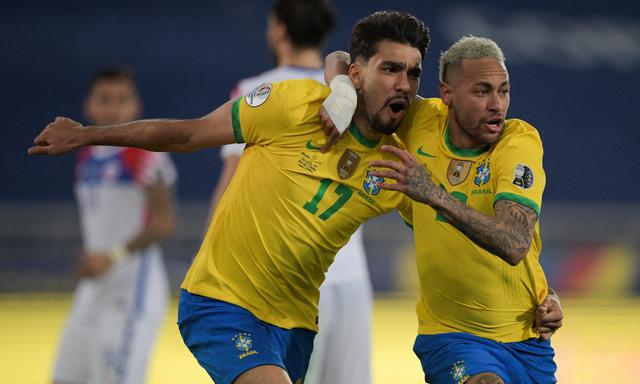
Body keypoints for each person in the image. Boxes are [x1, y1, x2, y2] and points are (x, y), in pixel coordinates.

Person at [31, 11, 429, 384]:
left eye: (413, 74)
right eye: (391, 69)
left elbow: (445, 228)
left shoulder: (400, 163)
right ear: (358, 75)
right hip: (222, 302)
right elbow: (189, 134)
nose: (403, 84)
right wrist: (87, 134)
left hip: (296, 323)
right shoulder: (291, 104)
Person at [323, 36, 561, 383]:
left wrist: (432, 193)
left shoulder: (518, 142)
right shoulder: (419, 120)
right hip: (451, 336)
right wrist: (343, 92)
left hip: (527, 340)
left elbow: (514, 243)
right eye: (481, 92)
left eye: (503, 90)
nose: (497, 104)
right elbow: (341, 59)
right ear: (447, 94)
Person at [209, 1, 373, 383]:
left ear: (279, 30)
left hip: (287, 282)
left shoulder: (255, 90)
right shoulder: (353, 92)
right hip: (350, 277)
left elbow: (230, 187)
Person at [51, 67, 177, 384]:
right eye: (105, 99)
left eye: (122, 100)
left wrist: (114, 255)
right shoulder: (87, 156)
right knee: (65, 376)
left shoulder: (144, 154)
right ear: (88, 106)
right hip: (94, 288)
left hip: (131, 288)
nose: (113, 108)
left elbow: (163, 222)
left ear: (136, 106)